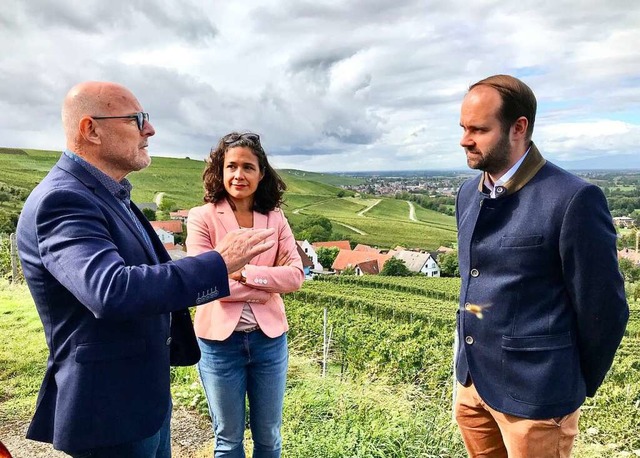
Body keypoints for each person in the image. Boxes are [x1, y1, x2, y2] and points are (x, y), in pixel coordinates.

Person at [16, 81, 276, 458]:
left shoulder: (109, 193)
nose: (150, 130)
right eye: (137, 119)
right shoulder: (64, 199)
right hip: (109, 407)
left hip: (140, 397)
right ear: (90, 129)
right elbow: (112, 291)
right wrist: (218, 263)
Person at [454, 74, 629, 457]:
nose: (465, 139)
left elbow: (604, 309)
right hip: (472, 388)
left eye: (479, 129)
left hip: (537, 401)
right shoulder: (468, 194)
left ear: (519, 128)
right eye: (464, 128)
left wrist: (567, 385)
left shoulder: (573, 199)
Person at [186, 132, 304, 457]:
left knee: (269, 436)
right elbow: (202, 282)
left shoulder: (276, 218)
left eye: (248, 167)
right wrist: (266, 287)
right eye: (232, 166)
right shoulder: (202, 218)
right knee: (228, 439)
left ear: (261, 173)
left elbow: (295, 276)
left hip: (269, 343)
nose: (239, 175)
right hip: (218, 345)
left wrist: (243, 273)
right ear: (220, 171)